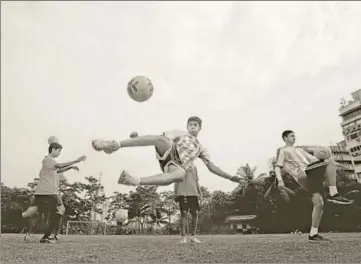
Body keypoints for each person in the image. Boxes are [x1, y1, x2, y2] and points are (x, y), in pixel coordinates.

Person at [92, 116, 241, 186]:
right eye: (190, 124)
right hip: (170, 150)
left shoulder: (201, 147)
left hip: (177, 164)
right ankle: (115, 145)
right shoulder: (181, 133)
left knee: (181, 175)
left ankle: (135, 181)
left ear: (200, 128)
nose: (193, 126)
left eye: (196, 124)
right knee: (162, 140)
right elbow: (159, 138)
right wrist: (138, 138)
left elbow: (211, 166)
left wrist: (230, 177)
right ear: (187, 127)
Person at [274, 130, 353, 242]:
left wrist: (332, 164)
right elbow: (277, 166)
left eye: (295, 136)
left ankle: (313, 235)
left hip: (311, 173)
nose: (294, 138)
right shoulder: (283, 150)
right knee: (329, 162)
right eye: (291, 136)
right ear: (285, 138)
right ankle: (334, 192)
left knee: (319, 203)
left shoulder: (299, 150)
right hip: (302, 173)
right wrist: (280, 180)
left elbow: (314, 160)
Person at [22, 142, 86, 243]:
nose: (60, 153)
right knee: (60, 210)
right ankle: (49, 236)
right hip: (50, 192)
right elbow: (59, 166)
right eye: (59, 150)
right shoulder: (49, 160)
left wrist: (70, 168)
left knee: (32, 213)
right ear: (53, 150)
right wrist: (76, 160)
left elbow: (58, 170)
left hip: (39, 192)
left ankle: (29, 235)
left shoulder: (48, 163)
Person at [174, 165, 202, 244]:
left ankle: (193, 236)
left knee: (195, 213)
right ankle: (183, 237)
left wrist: (200, 193)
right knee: (184, 213)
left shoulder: (194, 167)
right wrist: (176, 193)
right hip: (182, 192)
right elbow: (175, 181)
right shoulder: (178, 165)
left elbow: (196, 181)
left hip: (193, 192)